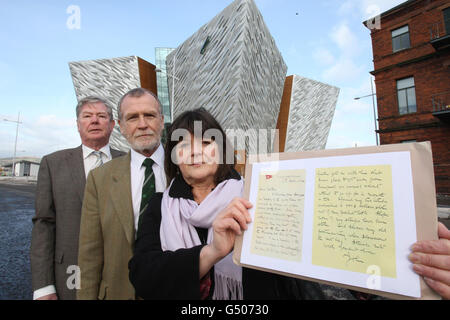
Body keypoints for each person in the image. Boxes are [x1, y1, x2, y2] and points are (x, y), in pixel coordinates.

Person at [129, 108, 450, 300]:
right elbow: (143, 275)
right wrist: (212, 252)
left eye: (206, 142)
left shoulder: (257, 195)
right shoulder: (159, 206)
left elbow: (308, 261)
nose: (195, 152)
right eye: (183, 145)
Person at [30, 96, 125, 300]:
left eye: (101, 116)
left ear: (112, 124)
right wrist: (43, 287)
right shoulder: (53, 164)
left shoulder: (130, 162)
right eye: (87, 116)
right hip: (70, 273)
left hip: (123, 275)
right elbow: (43, 225)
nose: (94, 120)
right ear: (77, 124)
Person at [77, 88, 166, 300]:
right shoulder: (100, 179)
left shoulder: (185, 169)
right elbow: (89, 254)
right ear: (121, 126)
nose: (143, 124)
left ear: (162, 121)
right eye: (133, 118)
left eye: (150, 115)